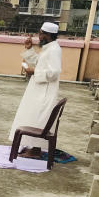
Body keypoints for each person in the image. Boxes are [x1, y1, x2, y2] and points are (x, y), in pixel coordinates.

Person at [9, 22, 62, 157]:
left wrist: (34, 71)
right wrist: (28, 49)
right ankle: (32, 147)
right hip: (38, 88)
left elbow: (54, 72)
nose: (39, 36)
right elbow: (40, 62)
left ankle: (36, 150)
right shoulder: (49, 47)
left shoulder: (54, 49)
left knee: (39, 120)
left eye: (41, 34)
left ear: (48, 34)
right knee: (32, 118)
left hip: (45, 92)